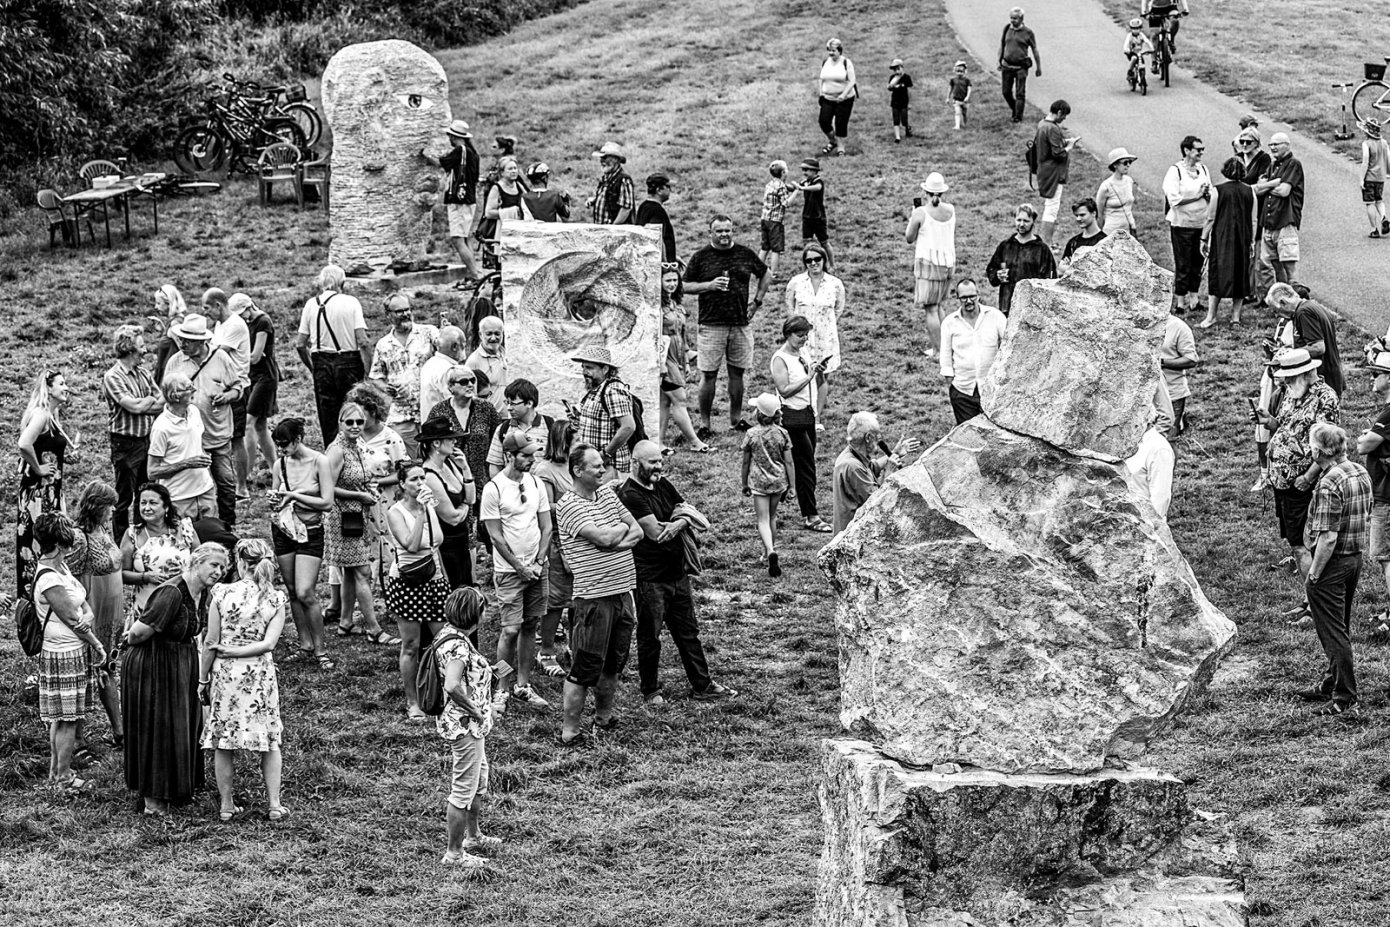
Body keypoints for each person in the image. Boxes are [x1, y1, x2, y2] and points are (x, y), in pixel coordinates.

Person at [619, 440, 735, 703]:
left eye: (660, 461)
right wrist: (679, 522)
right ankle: (651, 690)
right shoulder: (630, 495)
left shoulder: (663, 484)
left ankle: (702, 685)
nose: (658, 466)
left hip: (677, 573)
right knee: (651, 636)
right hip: (650, 578)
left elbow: (689, 512)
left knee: (689, 633)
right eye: (652, 462)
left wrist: (679, 521)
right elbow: (656, 533)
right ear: (635, 463)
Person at [122, 541, 228, 815]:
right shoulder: (171, 592)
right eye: (214, 565)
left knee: (181, 723)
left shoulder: (202, 593)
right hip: (153, 663)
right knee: (158, 726)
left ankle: (177, 788)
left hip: (180, 662)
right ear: (196, 562)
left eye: (223, 567)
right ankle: (153, 800)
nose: (219, 571)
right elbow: (137, 634)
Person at [554, 444, 642, 746]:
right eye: (596, 466)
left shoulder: (605, 493)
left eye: (603, 464)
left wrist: (612, 541)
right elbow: (605, 536)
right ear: (578, 470)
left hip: (622, 592)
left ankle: (604, 717)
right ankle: (570, 731)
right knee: (584, 666)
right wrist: (617, 532)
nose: (603, 470)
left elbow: (638, 531)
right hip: (593, 598)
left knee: (613, 664)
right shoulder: (568, 504)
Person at [199, 538, 287, 822]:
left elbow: (211, 641)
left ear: (239, 562)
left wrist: (203, 679)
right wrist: (240, 650)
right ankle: (274, 804)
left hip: (227, 674)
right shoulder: (275, 598)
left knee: (224, 741)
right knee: (270, 741)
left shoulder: (222, 593)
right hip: (259, 675)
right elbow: (269, 643)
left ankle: (226, 804)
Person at [1255, 349, 1340, 618]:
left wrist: (1309, 476)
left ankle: (1316, 604)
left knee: (1306, 544)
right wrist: (1269, 422)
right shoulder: (1294, 394)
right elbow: (1287, 428)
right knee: (1296, 542)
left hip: (1304, 484)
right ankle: (1310, 600)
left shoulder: (1325, 398)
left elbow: (1330, 445)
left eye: (1290, 378)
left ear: (1305, 373)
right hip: (1284, 482)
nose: (1285, 383)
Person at [1293, 424, 1371, 717]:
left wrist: (1313, 574)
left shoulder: (1328, 483)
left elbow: (1327, 536)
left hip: (1333, 563)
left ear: (1317, 451)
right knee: (1340, 625)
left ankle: (1344, 696)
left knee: (1333, 632)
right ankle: (1331, 683)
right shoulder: (1359, 471)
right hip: (1354, 560)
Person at [34, 513, 110, 791]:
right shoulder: (49, 579)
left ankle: (56, 774)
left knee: (64, 717)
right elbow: (72, 618)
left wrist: (86, 616)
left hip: (70, 650)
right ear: (61, 542)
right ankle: (64, 778)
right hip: (63, 653)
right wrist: (97, 644)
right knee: (67, 719)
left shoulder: (61, 569)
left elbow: (83, 607)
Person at [481, 430, 553, 717]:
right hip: (509, 571)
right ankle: (501, 686)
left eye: (533, 455)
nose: (531, 460)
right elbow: (495, 537)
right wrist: (519, 566)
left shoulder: (536, 483)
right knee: (508, 630)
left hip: (537, 567)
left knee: (530, 625)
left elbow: (546, 526)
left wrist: (538, 560)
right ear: (509, 455)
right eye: (525, 455)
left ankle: (523, 684)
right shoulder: (494, 489)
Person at [683, 215, 771, 438]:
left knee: (737, 374)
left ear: (733, 231)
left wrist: (757, 302)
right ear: (710, 232)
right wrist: (709, 285)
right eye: (719, 231)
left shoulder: (744, 253)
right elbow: (683, 285)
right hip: (711, 324)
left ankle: (735, 419)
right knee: (709, 375)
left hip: (740, 323)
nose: (724, 235)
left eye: (727, 230)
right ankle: (705, 424)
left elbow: (765, 273)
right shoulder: (701, 257)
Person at [435, 587, 498, 866]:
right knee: (463, 789)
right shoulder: (458, 645)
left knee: (478, 781)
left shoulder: (451, 635)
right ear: (476, 615)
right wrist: (475, 710)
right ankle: (454, 853)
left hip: (470, 726)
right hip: (466, 726)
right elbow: (451, 684)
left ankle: (473, 836)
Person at [385, 460, 452, 720]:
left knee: (442, 640)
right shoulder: (396, 512)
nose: (420, 483)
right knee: (411, 643)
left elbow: (438, 540)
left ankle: (444, 694)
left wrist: (428, 512)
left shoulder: (429, 504)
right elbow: (411, 545)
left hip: (433, 578)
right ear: (402, 484)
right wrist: (422, 514)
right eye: (413, 479)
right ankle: (413, 701)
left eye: (422, 477)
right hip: (408, 582)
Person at [163, 313, 245, 526]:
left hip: (217, 434)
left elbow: (238, 388)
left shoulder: (221, 359)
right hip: (188, 437)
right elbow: (166, 393)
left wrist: (226, 396)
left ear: (202, 342)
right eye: (181, 339)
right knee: (192, 485)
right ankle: (193, 525)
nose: (182, 344)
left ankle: (227, 525)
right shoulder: (175, 361)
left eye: (188, 340)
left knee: (225, 482)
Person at [324, 402, 395, 645]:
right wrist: (359, 496)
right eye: (349, 422)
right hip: (342, 517)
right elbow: (327, 488)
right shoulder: (336, 450)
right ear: (340, 423)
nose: (355, 426)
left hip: (358, 515)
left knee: (351, 572)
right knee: (363, 571)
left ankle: (345, 622)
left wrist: (367, 489)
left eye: (359, 422)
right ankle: (374, 629)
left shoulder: (356, 446)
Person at [266, 418, 333, 668]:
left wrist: (294, 495)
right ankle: (304, 644)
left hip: (311, 530)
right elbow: (276, 498)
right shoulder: (279, 464)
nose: (281, 450)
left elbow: (327, 502)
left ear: (298, 440)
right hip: (285, 530)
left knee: (306, 592)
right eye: (278, 446)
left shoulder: (319, 461)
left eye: (285, 445)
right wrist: (276, 501)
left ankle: (321, 649)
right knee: (292, 591)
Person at [296, 264, 370, 444]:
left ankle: (333, 457)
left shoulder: (310, 305)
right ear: (342, 283)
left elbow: (300, 344)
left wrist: (313, 367)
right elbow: (363, 341)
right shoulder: (351, 302)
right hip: (349, 363)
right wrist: (368, 371)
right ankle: (359, 453)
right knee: (354, 413)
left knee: (328, 417)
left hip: (321, 363)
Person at [770, 316, 832, 533]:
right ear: (788, 334)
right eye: (800, 335)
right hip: (791, 417)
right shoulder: (780, 359)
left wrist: (818, 370)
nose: (804, 339)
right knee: (806, 466)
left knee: (808, 464)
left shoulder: (802, 353)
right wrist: (809, 376)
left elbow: (810, 378)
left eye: (806, 334)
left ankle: (798, 502)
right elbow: (785, 390)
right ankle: (810, 515)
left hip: (807, 414)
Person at [103, 324, 164, 541]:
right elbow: (134, 407)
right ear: (128, 349)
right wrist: (148, 402)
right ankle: (121, 542)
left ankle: (143, 537)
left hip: (146, 440)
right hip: (125, 443)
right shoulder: (113, 376)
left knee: (146, 492)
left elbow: (162, 403)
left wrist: (144, 403)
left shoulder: (143, 373)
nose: (145, 351)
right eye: (141, 346)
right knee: (124, 497)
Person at [17, 370, 72, 603]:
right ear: (48, 388)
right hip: (38, 493)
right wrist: (39, 468)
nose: (66, 387)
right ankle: (34, 600)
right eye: (61, 383)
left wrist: (65, 458)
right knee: (37, 542)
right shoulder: (41, 414)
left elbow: (43, 447)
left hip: (51, 490)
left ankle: (50, 595)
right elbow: (24, 444)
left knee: (49, 542)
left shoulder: (52, 414)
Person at [368, 292, 438, 459]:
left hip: (430, 409)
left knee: (436, 457)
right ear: (388, 315)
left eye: (407, 309)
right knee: (407, 461)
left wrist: (449, 330)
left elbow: (448, 350)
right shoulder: (383, 344)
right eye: (399, 311)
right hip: (401, 414)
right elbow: (375, 376)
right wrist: (385, 387)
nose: (405, 314)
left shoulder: (428, 332)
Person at [534, 418, 577, 677]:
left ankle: (575, 644)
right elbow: (545, 508)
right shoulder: (546, 470)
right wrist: (575, 505)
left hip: (579, 541)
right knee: (556, 601)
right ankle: (547, 650)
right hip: (557, 543)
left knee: (577, 600)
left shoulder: (576, 466)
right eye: (576, 440)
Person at [120, 483, 200, 619]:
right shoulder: (133, 534)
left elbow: (201, 562)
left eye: (153, 503)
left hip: (182, 601)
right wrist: (145, 577)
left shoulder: (185, 529)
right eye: (143, 503)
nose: (147, 508)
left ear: (166, 506)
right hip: (148, 605)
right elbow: (121, 574)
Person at [832, 412, 920, 535]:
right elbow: (878, 502)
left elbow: (872, 467)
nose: (879, 442)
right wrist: (889, 471)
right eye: (877, 437)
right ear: (868, 438)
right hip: (852, 536)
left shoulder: (852, 455)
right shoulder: (853, 467)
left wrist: (895, 453)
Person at [419, 414, 480, 589]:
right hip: (446, 545)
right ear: (436, 443)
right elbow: (452, 518)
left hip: (461, 540)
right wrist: (466, 505)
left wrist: (466, 468)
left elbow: (472, 498)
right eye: (450, 439)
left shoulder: (450, 464)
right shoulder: (429, 475)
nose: (455, 442)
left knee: (466, 583)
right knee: (454, 588)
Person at [784, 243, 844, 421]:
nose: (813, 263)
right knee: (800, 374)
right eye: (808, 260)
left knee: (821, 377)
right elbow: (790, 307)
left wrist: (825, 326)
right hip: (803, 338)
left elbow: (839, 308)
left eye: (817, 259)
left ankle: (816, 417)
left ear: (824, 259)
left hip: (825, 338)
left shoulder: (835, 284)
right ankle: (800, 411)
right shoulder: (796, 282)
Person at [741, 392, 796, 577]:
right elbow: (789, 462)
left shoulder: (751, 434)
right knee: (772, 517)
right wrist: (792, 486)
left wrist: (744, 483)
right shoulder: (783, 434)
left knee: (762, 519)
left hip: (759, 482)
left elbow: (746, 462)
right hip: (778, 481)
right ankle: (769, 549)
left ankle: (769, 551)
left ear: (759, 413)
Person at [147, 372, 215, 521]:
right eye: (189, 387)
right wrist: (186, 464)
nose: (194, 390)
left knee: (210, 540)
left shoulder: (194, 412)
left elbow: (197, 446)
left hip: (205, 492)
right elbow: (152, 472)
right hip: (180, 498)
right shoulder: (161, 428)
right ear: (175, 396)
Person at [427, 365, 500, 505]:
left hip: (483, 481)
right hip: (452, 482)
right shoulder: (439, 411)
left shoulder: (486, 409)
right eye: (463, 382)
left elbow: (497, 443)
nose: (470, 385)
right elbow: (430, 448)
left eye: (472, 380)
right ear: (450, 387)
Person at [1355, 352, 1390, 637]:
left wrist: (1365, 436)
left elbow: (1364, 446)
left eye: (1376, 373)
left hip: (1386, 498)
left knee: (1387, 558)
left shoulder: (1389, 413)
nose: (1371, 377)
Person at [1198, 157, 1257, 328]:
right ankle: (1236, 317)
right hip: (1243, 237)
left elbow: (1211, 218)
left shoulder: (1218, 191)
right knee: (1240, 273)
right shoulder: (1250, 191)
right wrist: (1251, 241)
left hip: (1222, 237)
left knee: (1217, 274)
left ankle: (1211, 316)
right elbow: (1254, 219)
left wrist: (1204, 238)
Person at [940, 278, 1008, 424]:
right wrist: (951, 383)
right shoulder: (949, 323)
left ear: (978, 294)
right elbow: (945, 357)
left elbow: (1010, 343)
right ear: (957, 298)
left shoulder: (995, 316)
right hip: (963, 391)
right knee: (968, 438)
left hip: (992, 389)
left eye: (972, 296)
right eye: (964, 298)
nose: (969, 301)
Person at [657, 266, 710, 452]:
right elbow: (653, 337)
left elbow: (683, 334)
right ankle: (695, 442)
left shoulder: (677, 306)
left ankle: (659, 442)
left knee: (665, 401)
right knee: (680, 399)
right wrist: (660, 364)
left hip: (678, 353)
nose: (671, 284)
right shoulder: (657, 308)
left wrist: (686, 361)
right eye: (667, 281)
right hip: (664, 356)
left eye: (674, 280)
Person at [68, 481, 124, 655]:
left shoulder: (103, 527)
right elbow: (71, 578)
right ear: (97, 507)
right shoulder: (79, 536)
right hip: (95, 604)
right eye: (110, 506)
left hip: (112, 605)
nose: (113, 510)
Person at [207, 291, 253, 500]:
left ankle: (241, 487)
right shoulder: (220, 325)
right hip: (222, 387)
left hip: (237, 388)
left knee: (236, 438)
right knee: (225, 438)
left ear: (218, 305)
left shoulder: (234, 325)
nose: (206, 313)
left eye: (207, 308)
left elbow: (216, 352)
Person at [905, 172, 956, 358]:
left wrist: (913, 215)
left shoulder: (920, 213)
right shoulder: (950, 209)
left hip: (928, 263)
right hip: (948, 263)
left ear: (925, 191)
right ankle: (947, 348)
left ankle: (938, 350)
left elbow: (909, 237)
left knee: (931, 309)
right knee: (940, 306)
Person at [571, 345, 639, 482]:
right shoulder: (597, 389)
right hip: (597, 466)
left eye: (589, 368)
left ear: (605, 369)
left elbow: (628, 427)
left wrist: (605, 454)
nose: (584, 372)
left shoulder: (612, 390)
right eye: (583, 367)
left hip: (610, 468)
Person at [1162, 136, 1212, 316]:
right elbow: (1174, 199)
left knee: (1197, 262)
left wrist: (1207, 195)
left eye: (1202, 149)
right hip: (1182, 224)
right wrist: (1197, 196)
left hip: (1201, 223)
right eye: (1198, 149)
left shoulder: (1203, 169)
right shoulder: (1175, 171)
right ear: (1187, 151)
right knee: (1183, 262)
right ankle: (1180, 302)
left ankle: (1194, 300)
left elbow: (1210, 194)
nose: (1201, 153)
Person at [1268, 283, 1344, 398]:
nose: (1276, 316)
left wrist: (1288, 354)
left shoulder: (1304, 313)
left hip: (1322, 379)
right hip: (1329, 376)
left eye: (1275, 310)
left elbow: (1318, 347)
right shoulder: (1311, 306)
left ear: (1283, 302)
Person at [1253, 133, 1305, 289]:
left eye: (1277, 144)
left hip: (1285, 220)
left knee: (1289, 263)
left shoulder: (1293, 164)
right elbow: (1258, 190)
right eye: (1271, 145)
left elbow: (1284, 191)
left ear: (1287, 145)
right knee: (1274, 263)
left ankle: (1295, 300)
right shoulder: (1272, 165)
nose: (1273, 148)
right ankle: (1282, 299)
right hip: (1269, 222)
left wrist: (1265, 186)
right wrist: (1271, 184)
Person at [985, 204, 1057, 316]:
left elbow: (1050, 281)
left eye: (1026, 221)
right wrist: (997, 275)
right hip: (1007, 306)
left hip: (1032, 308)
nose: (1021, 224)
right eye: (1019, 220)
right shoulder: (1005, 246)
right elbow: (991, 271)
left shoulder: (1042, 249)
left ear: (1033, 221)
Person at [436, 119, 483, 277]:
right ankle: (473, 273)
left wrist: (423, 155)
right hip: (469, 199)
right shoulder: (472, 153)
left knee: (458, 240)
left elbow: (441, 163)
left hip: (459, 200)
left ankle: (475, 274)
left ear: (453, 137)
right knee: (465, 237)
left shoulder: (459, 151)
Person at [241, 296, 279, 485]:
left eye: (242, 314)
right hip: (254, 376)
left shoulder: (263, 321)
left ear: (248, 308)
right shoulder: (247, 322)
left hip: (266, 376)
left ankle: (245, 472)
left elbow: (255, 356)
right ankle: (275, 468)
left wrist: (238, 357)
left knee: (248, 423)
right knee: (260, 426)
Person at [1234, 126, 1274, 305]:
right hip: (1240, 210)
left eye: (1248, 142)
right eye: (1241, 142)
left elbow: (1262, 186)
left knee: (1257, 254)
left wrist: (1241, 189)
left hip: (1256, 210)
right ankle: (1247, 290)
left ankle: (1258, 292)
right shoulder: (1239, 158)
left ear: (1256, 142)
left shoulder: (1263, 159)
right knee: (1243, 253)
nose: (1244, 145)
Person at [1033, 100, 1077, 247]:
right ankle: (1046, 242)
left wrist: (1064, 141)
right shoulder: (1052, 128)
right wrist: (1069, 147)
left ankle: (1045, 241)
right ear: (1059, 112)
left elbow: (1050, 144)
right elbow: (1058, 153)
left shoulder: (1042, 124)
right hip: (1053, 172)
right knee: (1052, 208)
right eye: (1064, 116)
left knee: (1049, 206)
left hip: (1044, 170)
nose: (1064, 119)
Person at [487, 378, 553, 476]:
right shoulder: (503, 429)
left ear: (529, 403)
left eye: (513, 404)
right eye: (507, 403)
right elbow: (495, 465)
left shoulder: (549, 426)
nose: (509, 408)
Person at [998, 7, 1041, 124]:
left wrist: (1038, 67)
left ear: (1022, 19)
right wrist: (999, 60)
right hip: (1007, 66)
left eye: (1015, 18)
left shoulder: (1028, 33)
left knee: (1020, 93)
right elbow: (1002, 45)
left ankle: (1018, 117)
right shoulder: (1007, 29)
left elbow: (1035, 49)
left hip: (1021, 67)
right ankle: (1015, 109)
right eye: (1011, 18)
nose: (1012, 21)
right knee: (1006, 92)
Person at [1161, 306, 1199, 437]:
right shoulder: (1139, 325)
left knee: (1169, 438)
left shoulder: (1178, 327)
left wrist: (1161, 362)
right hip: (1145, 395)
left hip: (1172, 393)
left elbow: (1191, 359)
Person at [816, 38, 858, 156]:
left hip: (844, 99)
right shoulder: (826, 62)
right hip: (828, 98)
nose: (831, 53)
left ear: (840, 51)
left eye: (833, 50)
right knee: (824, 121)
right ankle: (832, 141)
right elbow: (821, 78)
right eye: (829, 50)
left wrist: (843, 95)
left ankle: (841, 147)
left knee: (840, 122)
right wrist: (821, 93)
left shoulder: (846, 62)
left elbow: (852, 80)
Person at [759, 160, 799, 280]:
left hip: (765, 219)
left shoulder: (770, 184)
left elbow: (785, 188)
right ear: (783, 172)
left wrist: (793, 187)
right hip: (775, 221)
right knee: (776, 249)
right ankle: (773, 274)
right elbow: (786, 203)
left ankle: (758, 270)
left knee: (765, 247)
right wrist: (796, 191)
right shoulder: (781, 186)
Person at [419, 325, 467, 419]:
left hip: (430, 426)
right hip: (445, 428)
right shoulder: (448, 370)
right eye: (463, 346)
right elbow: (458, 405)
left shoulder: (429, 364)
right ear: (455, 347)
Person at [465, 316, 509, 413]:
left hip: (510, 418)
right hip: (489, 419)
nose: (493, 338)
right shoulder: (473, 361)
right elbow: (467, 394)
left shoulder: (507, 355)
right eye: (489, 334)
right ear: (481, 335)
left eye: (497, 334)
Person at [796, 158, 834, 269]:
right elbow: (796, 187)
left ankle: (832, 265)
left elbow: (818, 188)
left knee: (824, 242)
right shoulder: (805, 182)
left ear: (814, 171)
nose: (804, 172)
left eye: (806, 170)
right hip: (807, 216)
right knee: (806, 242)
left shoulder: (818, 181)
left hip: (818, 217)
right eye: (803, 170)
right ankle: (808, 264)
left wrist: (803, 188)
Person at [588, 142, 635, 224]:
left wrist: (613, 228)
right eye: (601, 158)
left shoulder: (624, 179)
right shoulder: (605, 178)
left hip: (616, 233)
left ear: (616, 160)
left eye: (605, 158)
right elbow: (608, 198)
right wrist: (594, 201)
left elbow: (626, 209)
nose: (602, 161)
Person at [483, 155, 532, 232]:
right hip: (500, 230)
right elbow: (488, 213)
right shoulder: (496, 188)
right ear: (502, 172)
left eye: (515, 168)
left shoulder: (519, 186)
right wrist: (511, 212)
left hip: (518, 228)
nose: (514, 171)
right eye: (510, 169)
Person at [1096, 148, 1139, 237]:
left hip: (1129, 230)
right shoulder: (1106, 186)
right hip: (1111, 232)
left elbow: (1130, 204)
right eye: (1125, 163)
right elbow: (1099, 214)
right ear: (1115, 165)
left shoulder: (1129, 181)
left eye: (1129, 162)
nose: (1128, 165)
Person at [635, 173, 676, 262]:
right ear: (659, 190)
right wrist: (666, 264)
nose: (670, 190)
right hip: (658, 265)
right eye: (668, 187)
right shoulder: (657, 210)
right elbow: (657, 239)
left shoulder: (643, 206)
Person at [152, 284, 189, 381]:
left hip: (171, 372)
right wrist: (163, 330)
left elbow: (182, 348)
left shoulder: (175, 323)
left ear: (169, 303)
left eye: (159, 303)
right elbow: (171, 341)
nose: (155, 307)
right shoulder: (173, 321)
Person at [1360, 120, 1390, 238]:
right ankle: (1383, 217)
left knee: (1369, 203)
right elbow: (1388, 159)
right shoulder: (1384, 143)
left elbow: (1365, 162)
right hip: (1380, 178)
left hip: (1370, 177)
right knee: (1379, 200)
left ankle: (1374, 229)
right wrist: (1388, 172)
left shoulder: (1366, 144)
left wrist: (1362, 179)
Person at [1060, 198, 1107, 266]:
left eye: (1082, 215)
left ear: (1093, 213)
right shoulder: (1073, 242)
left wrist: (1072, 266)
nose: (1078, 219)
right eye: (1076, 215)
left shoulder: (1104, 241)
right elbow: (1060, 269)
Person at [887, 58, 913, 143]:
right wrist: (894, 82)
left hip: (904, 102)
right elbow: (889, 87)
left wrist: (909, 103)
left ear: (902, 68)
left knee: (904, 120)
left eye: (898, 69)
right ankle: (897, 137)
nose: (896, 71)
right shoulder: (892, 78)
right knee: (896, 120)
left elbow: (909, 91)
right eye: (894, 69)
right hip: (895, 102)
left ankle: (907, 127)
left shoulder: (906, 77)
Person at [947, 60, 972, 130]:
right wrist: (948, 98)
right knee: (957, 113)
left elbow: (969, 89)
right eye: (958, 71)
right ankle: (957, 126)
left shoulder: (967, 80)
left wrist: (967, 97)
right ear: (955, 71)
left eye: (961, 71)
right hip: (956, 100)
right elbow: (950, 89)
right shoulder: (953, 80)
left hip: (965, 101)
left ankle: (965, 124)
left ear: (964, 71)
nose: (959, 73)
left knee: (964, 113)